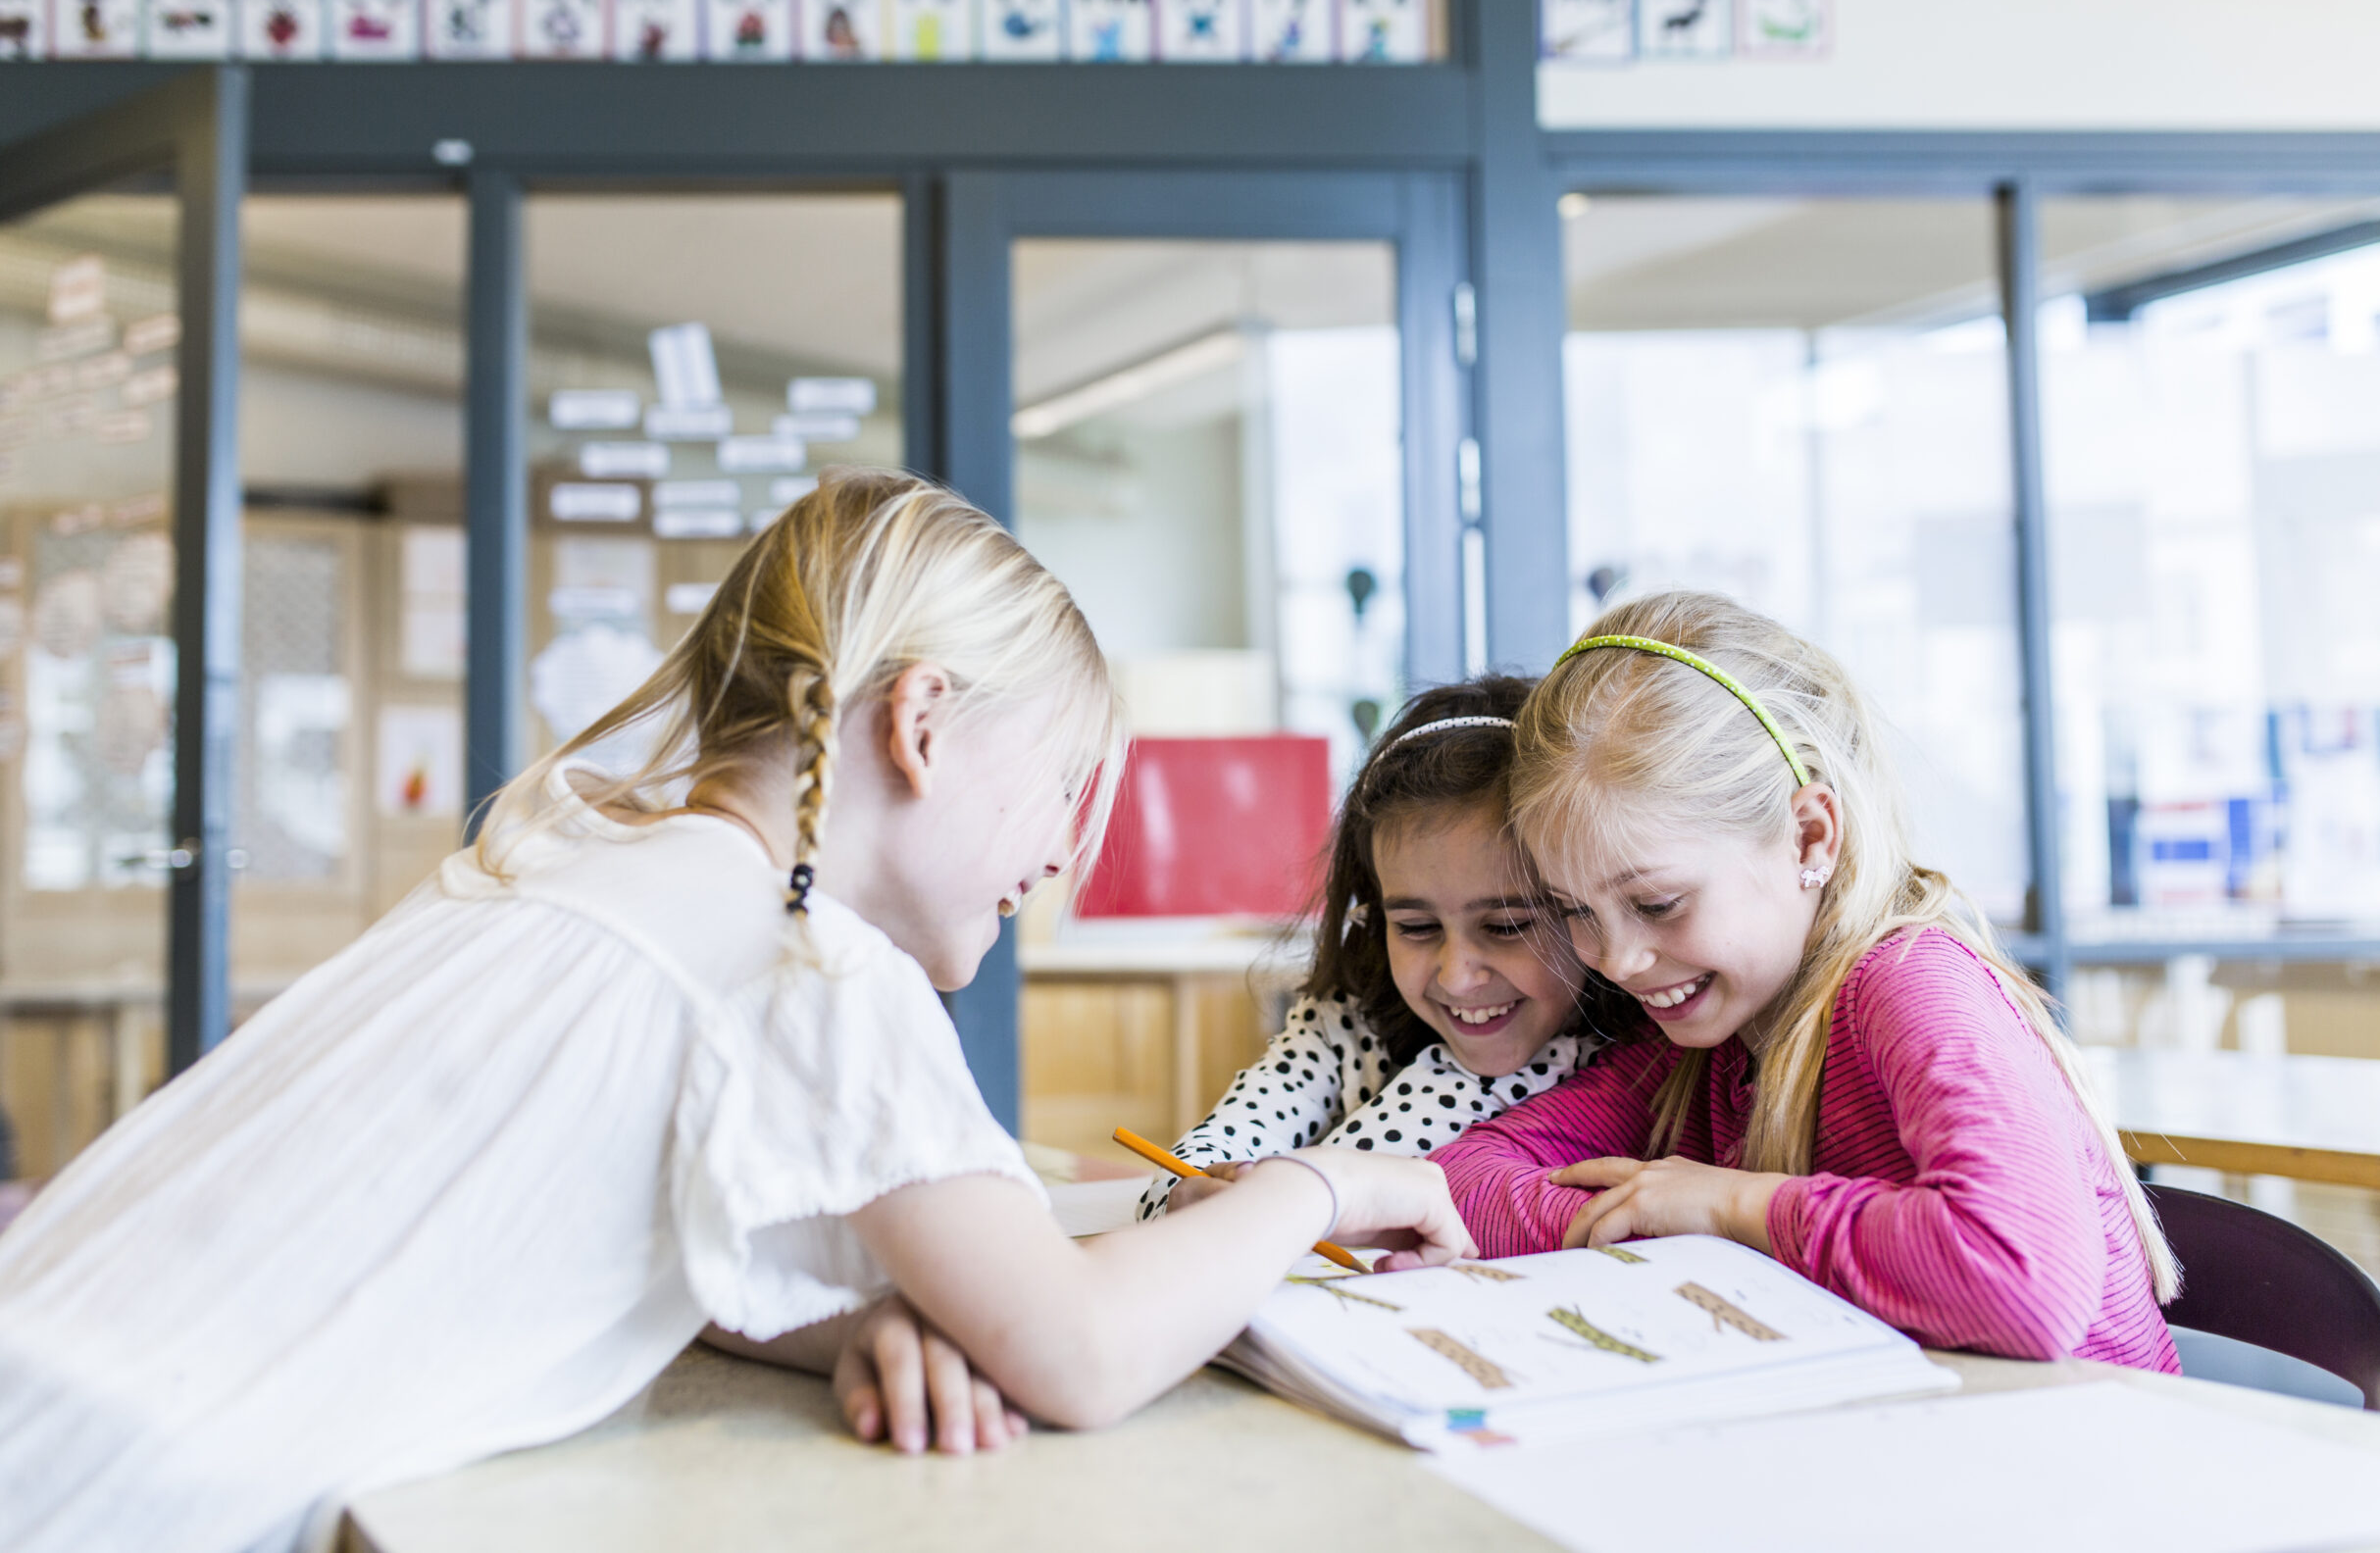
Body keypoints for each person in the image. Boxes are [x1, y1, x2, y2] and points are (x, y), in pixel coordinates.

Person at [0, 469, 1471, 1553]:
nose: (1056, 856)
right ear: (924, 721)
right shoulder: (806, 957)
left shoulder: (579, 856)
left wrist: (873, 1316)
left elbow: (687, 1250)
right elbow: (1079, 1350)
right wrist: (1330, 1177)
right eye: (1060, 787)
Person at [1424, 589, 2181, 1369]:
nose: (1616, 961)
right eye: (1573, 909)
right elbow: (1462, 1180)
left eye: (1657, 902)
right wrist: (1667, 1220)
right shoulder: (1705, 1034)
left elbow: (2020, 1282)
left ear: (1809, 835)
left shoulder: (1910, 983)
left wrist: (1731, 1208)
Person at [1143, 677, 1612, 1218]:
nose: (1458, 977)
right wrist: (1189, 1192)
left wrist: (1266, 1205)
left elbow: (1305, 1200)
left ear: (1580, 904)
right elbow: (1187, 1166)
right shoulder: (1345, 1019)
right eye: (1416, 927)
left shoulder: (1608, 1059)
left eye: (1506, 927)